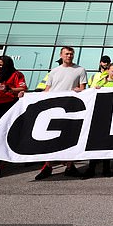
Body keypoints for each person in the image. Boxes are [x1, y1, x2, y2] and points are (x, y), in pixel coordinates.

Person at [35, 46, 87, 180]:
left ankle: (70, 166)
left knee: (69, 138)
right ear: (61, 55)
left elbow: (83, 88)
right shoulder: (54, 71)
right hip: (54, 108)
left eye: (71, 54)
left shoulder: (80, 70)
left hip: (70, 108)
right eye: (67, 54)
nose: (69, 56)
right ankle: (48, 166)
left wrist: (79, 90)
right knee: (51, 138)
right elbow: (47, 89)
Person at [83, 62, 113, 179]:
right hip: (99, 116)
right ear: (108, 70)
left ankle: (106, 169)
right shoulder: (100, 82)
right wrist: (94, 90)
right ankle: (91, 168)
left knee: (108, 144)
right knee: (95, 143)